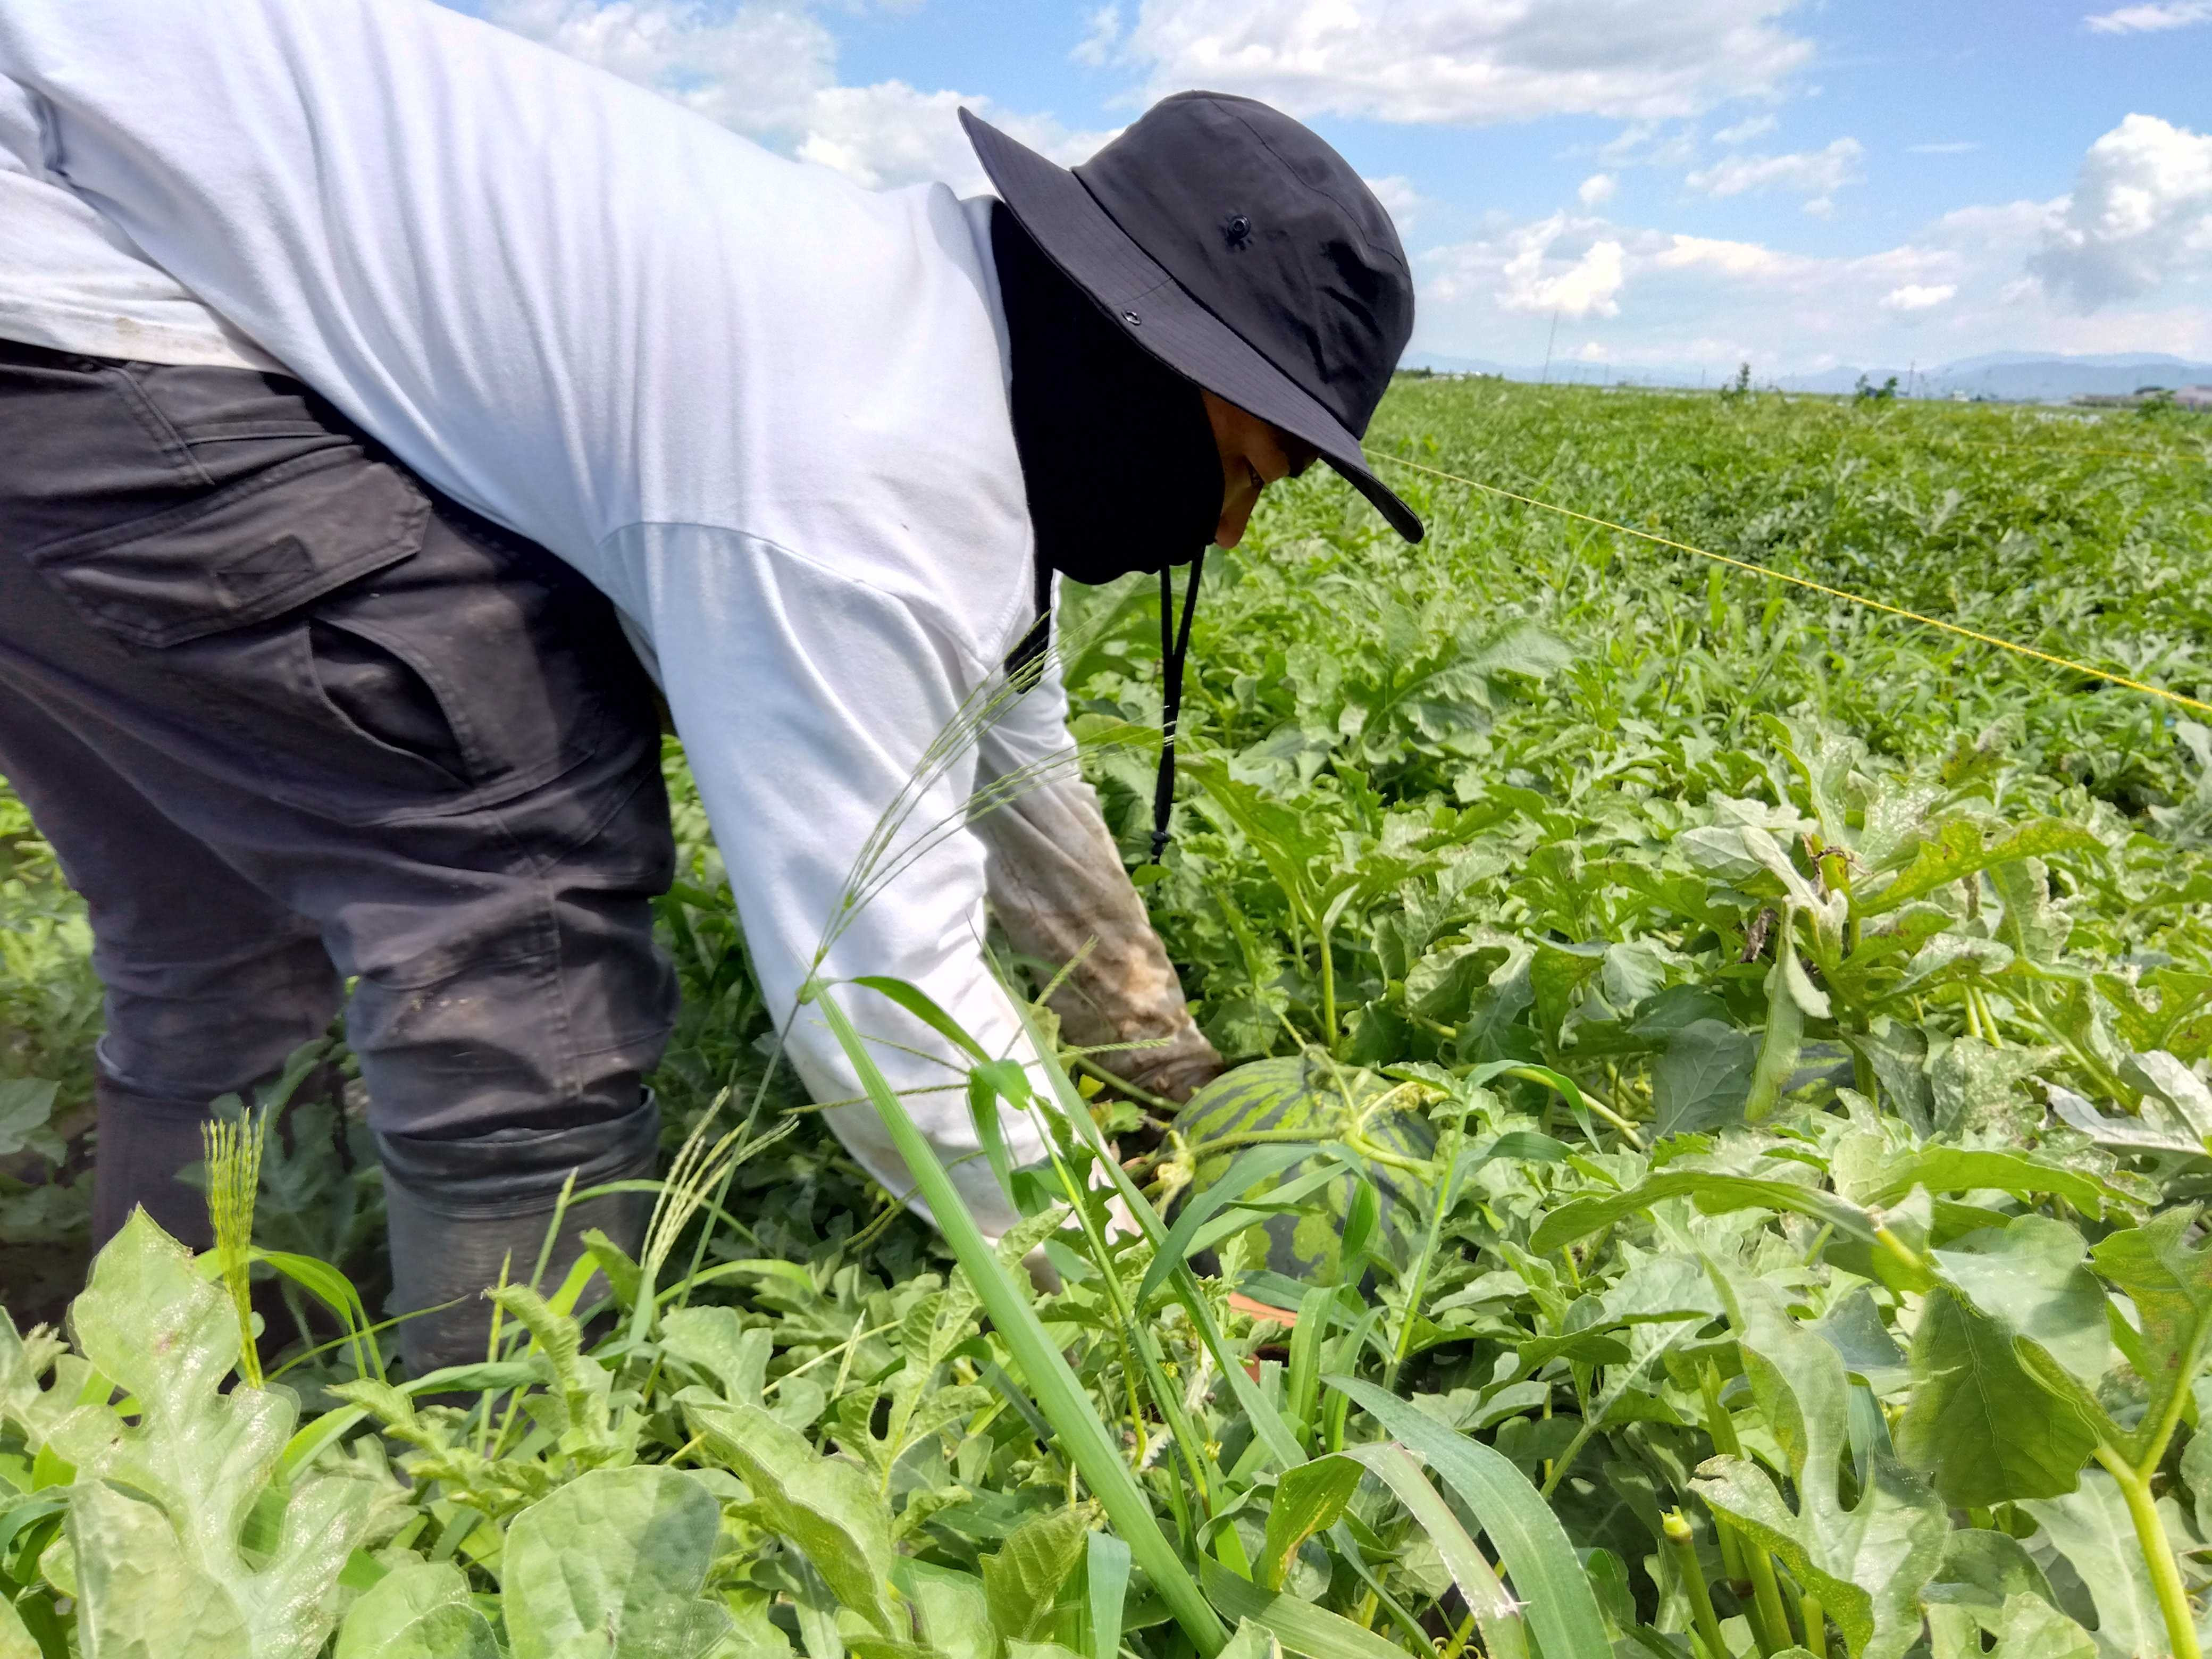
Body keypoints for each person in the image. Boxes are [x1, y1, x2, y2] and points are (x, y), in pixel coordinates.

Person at [0, 0, 1420, 1372]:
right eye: (1243, 471)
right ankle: (501, 1487)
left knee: (222, 910)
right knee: (503, 851)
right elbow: (879, 998)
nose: (1227, 533)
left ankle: (169, 1412)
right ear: (1144, 356)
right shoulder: (866, 465)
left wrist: (1151, 1055)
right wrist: (1142, 1297)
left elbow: (1014, 755)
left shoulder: (941, 337)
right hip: (67, 281)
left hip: (68, 221)